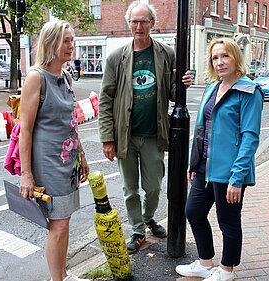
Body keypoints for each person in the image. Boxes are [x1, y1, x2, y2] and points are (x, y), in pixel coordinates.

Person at [98, 1, 192, 254]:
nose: (139, 26)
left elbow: (173, 93)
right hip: (125, 136)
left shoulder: (166, 54)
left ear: (152, 23)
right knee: (130, 189)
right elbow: (106, 98)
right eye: (134, 22)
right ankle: (138, 230)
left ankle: (149, 217)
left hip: (154, 134)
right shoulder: (117, 58)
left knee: (153, 187)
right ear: (129, 24)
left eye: (144, 21)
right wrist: (108, 139)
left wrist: (183, 83)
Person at [175, 38, 263, 281]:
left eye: (225, 56)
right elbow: (202, 128)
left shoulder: (249, 91)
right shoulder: (212, 87)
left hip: (230, 170)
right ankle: (205, 263)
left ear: (236, 57)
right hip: (205, 167)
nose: (220, 62)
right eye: (215, 57)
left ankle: (227, 270)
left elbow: (250, 137)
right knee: (193, 212)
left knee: (228, 221)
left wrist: (237, 178)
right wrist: (194, 163)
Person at [19, 20, 89, 281]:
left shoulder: (66, 74)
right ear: (50, 43)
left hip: (67, 162)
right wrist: (26, 174)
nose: (71, 46)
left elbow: (71, 121)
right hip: (48, 163)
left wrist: (81, 156)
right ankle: (57, 279)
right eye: (66, 41)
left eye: (72, 40)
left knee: (65, 221)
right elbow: (25, 129)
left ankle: (63, 275)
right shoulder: (36, 76)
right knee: (57, 227)